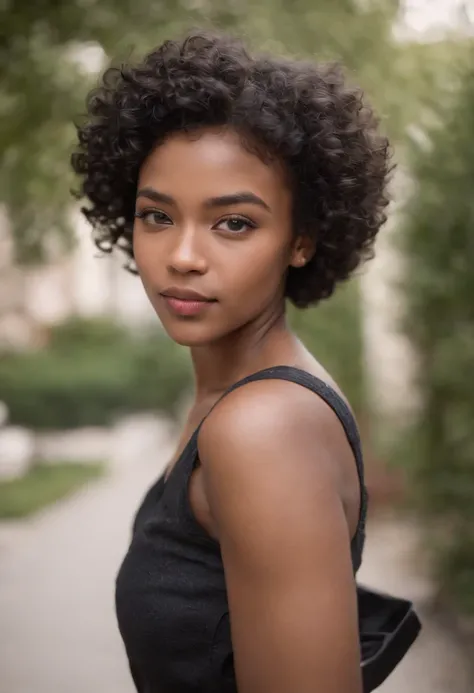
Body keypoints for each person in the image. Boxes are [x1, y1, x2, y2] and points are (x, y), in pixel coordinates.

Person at [71, 30, 394, 693]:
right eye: (157, 215)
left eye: (233, 223)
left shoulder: (263, 425)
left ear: (301, 239)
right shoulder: (232, 395)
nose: (183, 255)